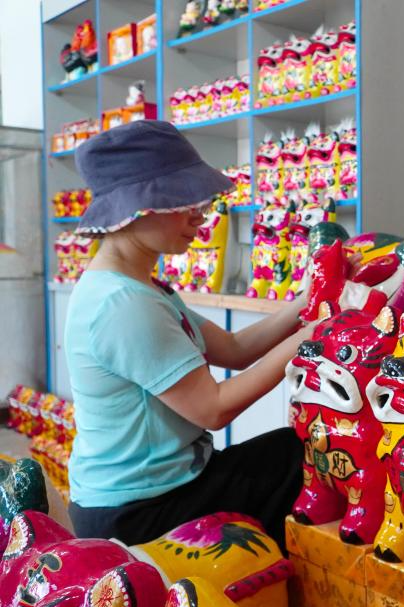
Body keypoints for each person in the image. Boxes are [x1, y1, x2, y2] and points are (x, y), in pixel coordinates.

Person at [64, 120, 312, 549]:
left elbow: (234, 349)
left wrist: (306, 301)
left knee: (296, 448)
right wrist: (310, 339)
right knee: (305, 455)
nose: (200, 214)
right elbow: (213, 409)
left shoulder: (142, 287)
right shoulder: (122, 304)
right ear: (135, 208)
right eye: (180, 199)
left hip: (170, 484)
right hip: (141, 511)